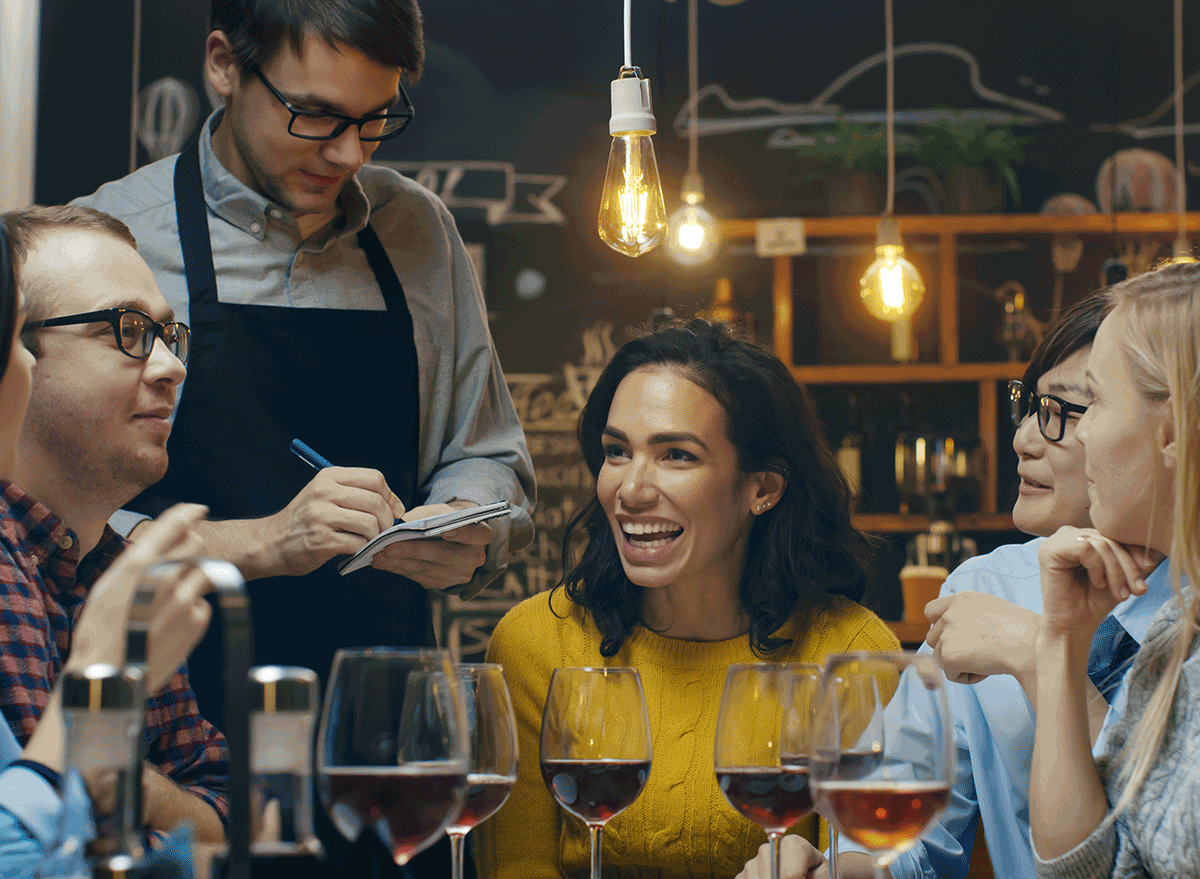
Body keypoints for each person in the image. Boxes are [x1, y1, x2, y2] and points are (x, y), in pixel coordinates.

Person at [74, 0, 535, 730]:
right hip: (175, 734)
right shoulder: (110, 243)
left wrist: (462, 523)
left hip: (388, 731)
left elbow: (486, 455)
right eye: (316, 116)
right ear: (224, 65)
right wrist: (266, 543)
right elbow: (62, 532)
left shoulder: (419, 232)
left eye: (376, 118)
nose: (351, 154)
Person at [739, 293, 1172, 879]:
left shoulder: (1182, 626)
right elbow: (902, 838)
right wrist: (840, 870)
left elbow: (1159, 845)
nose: (1022, 438)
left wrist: (1040, 656)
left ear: (1171, 431)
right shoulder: (990, 587)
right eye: (1028, 405)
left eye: (1066, 412)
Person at [475, 320, 897, 879]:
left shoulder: (850, 652)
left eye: (676, 455)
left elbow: (867, 862)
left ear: (762, 489)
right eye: (617, 451)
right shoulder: (534, 646)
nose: (630, 489)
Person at [0, 205, 228, 845]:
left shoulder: (112, 562)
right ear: (14, 351)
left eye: (166, 334)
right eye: (126, 330)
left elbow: (231, 819)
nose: (171, 367)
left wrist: (130, 785)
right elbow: (27, 846)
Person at [1031, 261, 1200, 878]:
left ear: (1171, 431)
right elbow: (1089, 870)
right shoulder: (1173, 636)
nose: (1080, 439)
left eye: (1094, 401)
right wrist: (1059, 644)